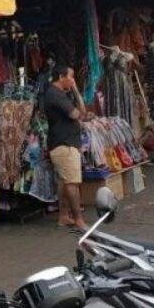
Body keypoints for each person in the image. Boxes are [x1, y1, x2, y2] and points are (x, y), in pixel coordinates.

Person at [43, 66, 92, 229]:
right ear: (61, 77)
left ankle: (64, 216)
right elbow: (76, 114)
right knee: (72, 182)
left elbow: (82, 111)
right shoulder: (54, 95)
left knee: (65, 182)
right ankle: (78, 219)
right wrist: (76, 92)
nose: (73, 81)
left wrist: (76, 91)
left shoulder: (61, 94)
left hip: (66, 142)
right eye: (71, 77)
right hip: (63, 143)